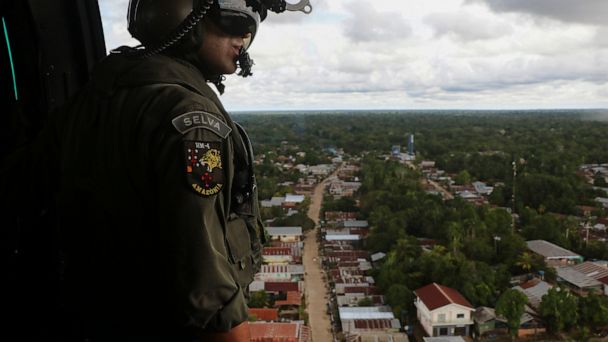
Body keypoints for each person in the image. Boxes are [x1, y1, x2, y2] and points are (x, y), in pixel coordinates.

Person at [1, 0, 309, 340]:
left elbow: (23, 188)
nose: (247, 33)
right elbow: (206, 288)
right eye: (234, 18)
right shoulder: (191, 118)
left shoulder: (95, 98)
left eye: (254, 22)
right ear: (182, 16)